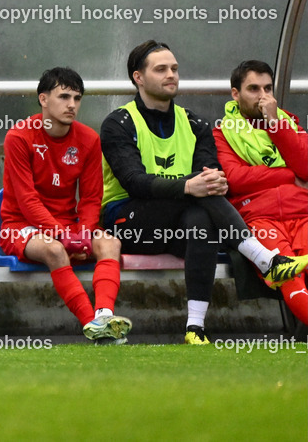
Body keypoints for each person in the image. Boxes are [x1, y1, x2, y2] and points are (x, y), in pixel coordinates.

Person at [100, 40, 308, 345]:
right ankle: (266, 260)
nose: (171, 74)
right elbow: (134, 182)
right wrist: (190, 185)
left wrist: (214, 182)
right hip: (129, 221)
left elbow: (211, 174)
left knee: (202, 219)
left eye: (174, 68)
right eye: (161, 69)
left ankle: (194, 327)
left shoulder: (195, 123)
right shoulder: (118, 122)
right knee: (201, 197)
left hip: (182, 221)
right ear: (138, 78)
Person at [1, 67, 132, 344]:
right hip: (20, 227)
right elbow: (26, 201)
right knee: (55, 250)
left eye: (77, 98)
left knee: (110, 244)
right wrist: (62, 235)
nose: (72, 105)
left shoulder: (89, 139)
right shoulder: (19, 136)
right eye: (63, 96)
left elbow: (90, 198)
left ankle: (106, 315)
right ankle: (92, 325)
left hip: (71, 228)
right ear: (43, 99)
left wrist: (83, 234)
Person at [213, 60, 307, 325]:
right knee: (288, 274)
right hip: (259, 219)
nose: (263, 96)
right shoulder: (221, 133)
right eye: (253, 88)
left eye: (268, 88)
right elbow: (235, 179)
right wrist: (289, 175)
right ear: (236, 94)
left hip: (303, 212)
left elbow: (306, 166)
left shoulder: (289, 124)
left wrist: (276, 125)